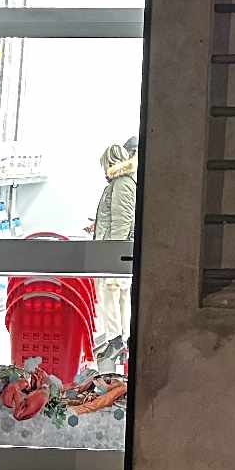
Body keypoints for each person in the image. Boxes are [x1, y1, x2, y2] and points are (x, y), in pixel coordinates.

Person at [90, 139, 138, 366]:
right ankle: (119, 341)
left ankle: (116, 340)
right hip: (117, 252)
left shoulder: (122, 184)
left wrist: (112, 254)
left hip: (115, 254)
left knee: (111, 296)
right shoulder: (123, 183)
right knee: (118, 298)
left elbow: (122, 221)